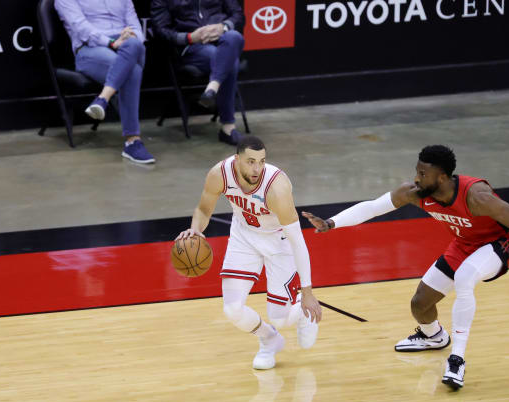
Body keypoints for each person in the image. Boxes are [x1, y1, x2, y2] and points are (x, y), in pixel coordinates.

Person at [302, 145, 509, 390]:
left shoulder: (477, 197)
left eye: (422, 173)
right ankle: (434, 336)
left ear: (441, 177)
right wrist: (330, 223)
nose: (416, 178)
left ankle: (457, 360)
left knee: (464, 278)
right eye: (417, 172)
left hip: (499, 244)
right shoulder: (417, 194)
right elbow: (372, 208)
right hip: (464, 243)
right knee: (419, 304)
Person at [175, 136, 321, 369]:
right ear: (236, 160)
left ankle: (300, 308)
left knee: (280, 318)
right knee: (232, 309)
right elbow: (203, 209)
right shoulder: (219, 174)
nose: (257, 169)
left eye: (261, 161)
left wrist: (308, 291)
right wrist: (195, 231)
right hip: (244, 237)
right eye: (251, 162)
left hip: (278, 244)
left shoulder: (276, 188)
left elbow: (298, 241)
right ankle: (269, 340)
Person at [55, 0, 155, 164]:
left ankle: (103, 98)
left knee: (135, 44)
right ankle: (132, 141)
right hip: (91, 49)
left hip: (127, 47)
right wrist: (111, 43)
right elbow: (81, 28)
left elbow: (136, 26)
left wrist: (130, 37)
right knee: (133, 71)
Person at [151, 0, 245, 146]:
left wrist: (223, 27)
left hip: (222, 39)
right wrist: (189, 37)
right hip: (191, 47)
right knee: (228, 59)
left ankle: (213, 86)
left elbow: (238, 15)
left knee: (234, 37)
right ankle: (228, 128)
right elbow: (160, 30)